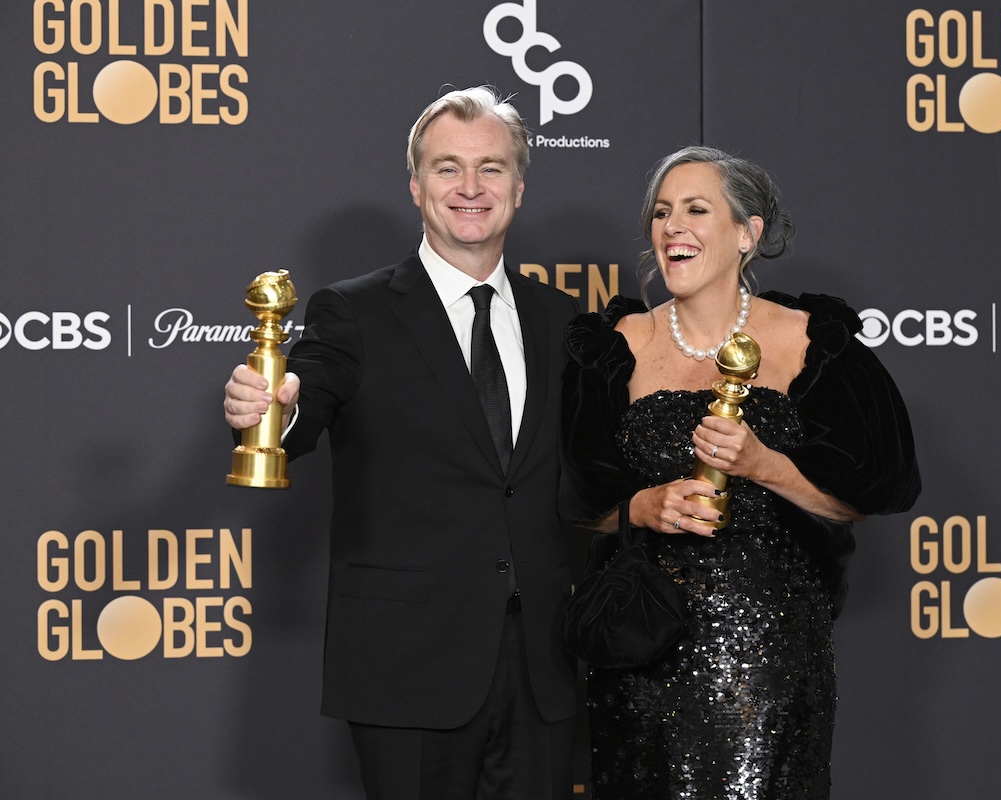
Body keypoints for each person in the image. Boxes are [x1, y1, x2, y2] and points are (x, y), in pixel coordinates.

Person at [223, 86, 578, 800]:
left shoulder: (563, 319)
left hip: (544, 664)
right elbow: (304, 407)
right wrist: (268, 413)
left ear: (519, 187)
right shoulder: (352, 311)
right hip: (407, 662)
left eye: (491, 168)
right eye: (448, 168)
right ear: (416, 187)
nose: (470, 187)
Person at [561, 146, 921, 799]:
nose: (673, 226)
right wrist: (643, 508)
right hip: (641, 651)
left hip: (771, 655)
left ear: (747, 233)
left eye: (696, 209)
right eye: (661, 212)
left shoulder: (811, 343)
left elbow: (865, 495)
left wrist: (765, 464)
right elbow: (571, 499)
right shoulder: (615, 346)